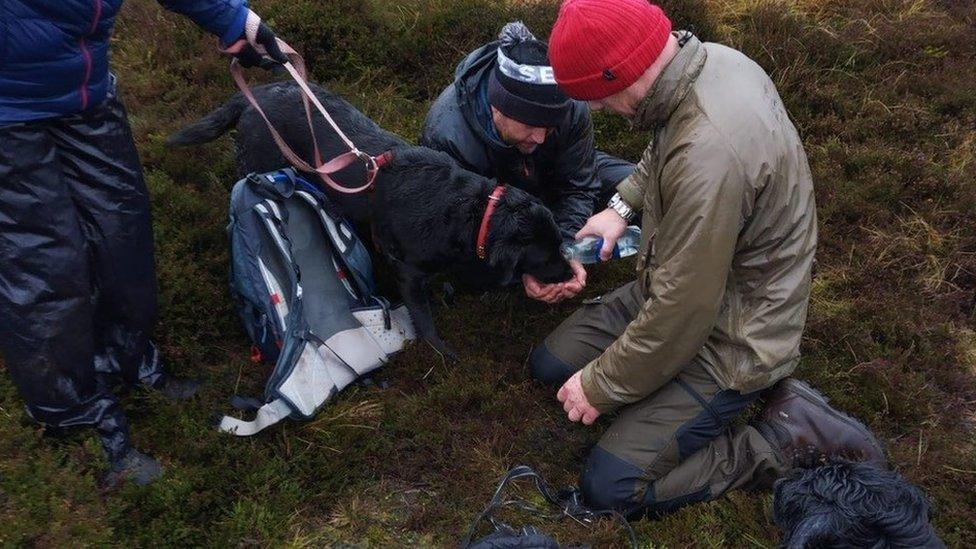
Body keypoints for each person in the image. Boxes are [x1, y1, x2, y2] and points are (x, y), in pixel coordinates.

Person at [528, 0, 887, 518]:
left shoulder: (709, 157)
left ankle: (778, 442)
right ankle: (656, 392)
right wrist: (621, 204)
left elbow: (683, 313)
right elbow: (664, 146)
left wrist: (600, 385)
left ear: (620, 73)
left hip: (738, 331)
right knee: (551, 365)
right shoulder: (708, 62)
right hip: (687, 280)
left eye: (598, 99)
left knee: (612, 486)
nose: (600, 111)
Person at [0, 0, 288, 486]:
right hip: (7, 112)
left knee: (122, 235)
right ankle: (71, 414)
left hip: (83, 92)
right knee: (45, 266)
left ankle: (123, 361)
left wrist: (235, 21)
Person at [420, 21, 633, 301]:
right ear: (498, 107)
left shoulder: (570, 106)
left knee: (640, 184)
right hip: (496, 208)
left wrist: (565, 249)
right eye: (531, 125)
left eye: (550, 126)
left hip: (554, 179)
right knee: (476, 272)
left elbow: (578, 186)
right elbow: (464, 232)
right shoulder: (447, 136)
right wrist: (528, 267)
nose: (541, 139)